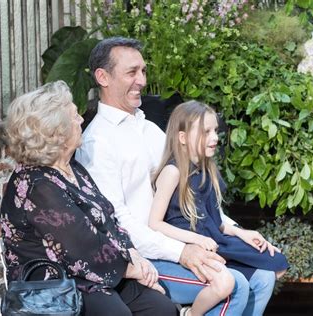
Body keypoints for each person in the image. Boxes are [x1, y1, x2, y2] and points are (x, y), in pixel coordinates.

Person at [76, 36, 279, 316]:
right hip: (144, 258)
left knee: (263, 277)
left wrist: (236, 229)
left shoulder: (151, 130)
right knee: (237, 285)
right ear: (103, 77)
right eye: (132, 72)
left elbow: (195, 195)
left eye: (143, 71)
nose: (142, 81)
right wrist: (181, 251)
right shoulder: (96, 143)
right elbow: (117, 223)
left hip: (185, 240)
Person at [0, 81, 177, 316]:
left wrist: (132, 253)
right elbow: (81, 244)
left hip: (94, 272)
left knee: (161, 308)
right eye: (75, 117)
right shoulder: (36, 185)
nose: (82, 120)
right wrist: (134, 269)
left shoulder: (72, 168)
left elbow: (107, 217)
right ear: (56, 132)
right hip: (54, 285)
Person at [149, 101, 290, 315]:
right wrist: (196, 239)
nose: (215, 137)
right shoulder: (173, 172)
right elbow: (155, 223)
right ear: (183, 137)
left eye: (215, 130)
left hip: (214, 240)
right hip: (190, 246)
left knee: (275, 265)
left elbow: (215, 219)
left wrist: (241, 233)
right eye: (206, 132)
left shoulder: (206, 169)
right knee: (236, 281)